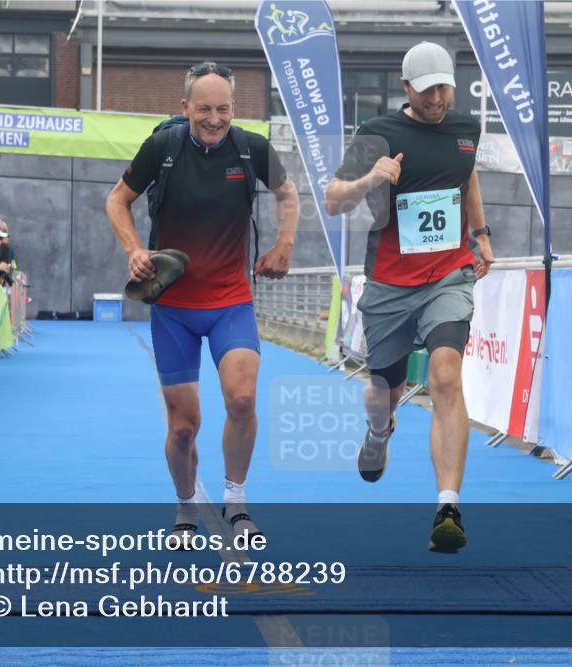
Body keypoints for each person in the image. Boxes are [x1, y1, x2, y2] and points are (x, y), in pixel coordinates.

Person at [106, 61, 298, 543]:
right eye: (204, 109)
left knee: (242, 398)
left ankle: (237, 505)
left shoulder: (250, 148)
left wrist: (283, 246)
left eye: (224, 109)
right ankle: (187, 507)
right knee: (184, 427)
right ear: (185, 107)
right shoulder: (162, 148)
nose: (214, 118)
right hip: (173, 308)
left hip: (231, 302)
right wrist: (134, 249)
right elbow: (116, 200)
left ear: (235, 108)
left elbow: (288, 193)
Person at [324, 42, 495, 553]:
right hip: (392, 282)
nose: (438, 98)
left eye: (445, 87)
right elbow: (333, 199)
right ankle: (380, 432)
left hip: (448, 274)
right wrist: (371, 178)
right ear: (407, 89)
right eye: (427, 91)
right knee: (383, 392)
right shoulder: (378, 132)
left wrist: (481, 232)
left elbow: (465, 176)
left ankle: (448, 508)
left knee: (445, 375)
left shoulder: (466, 128)